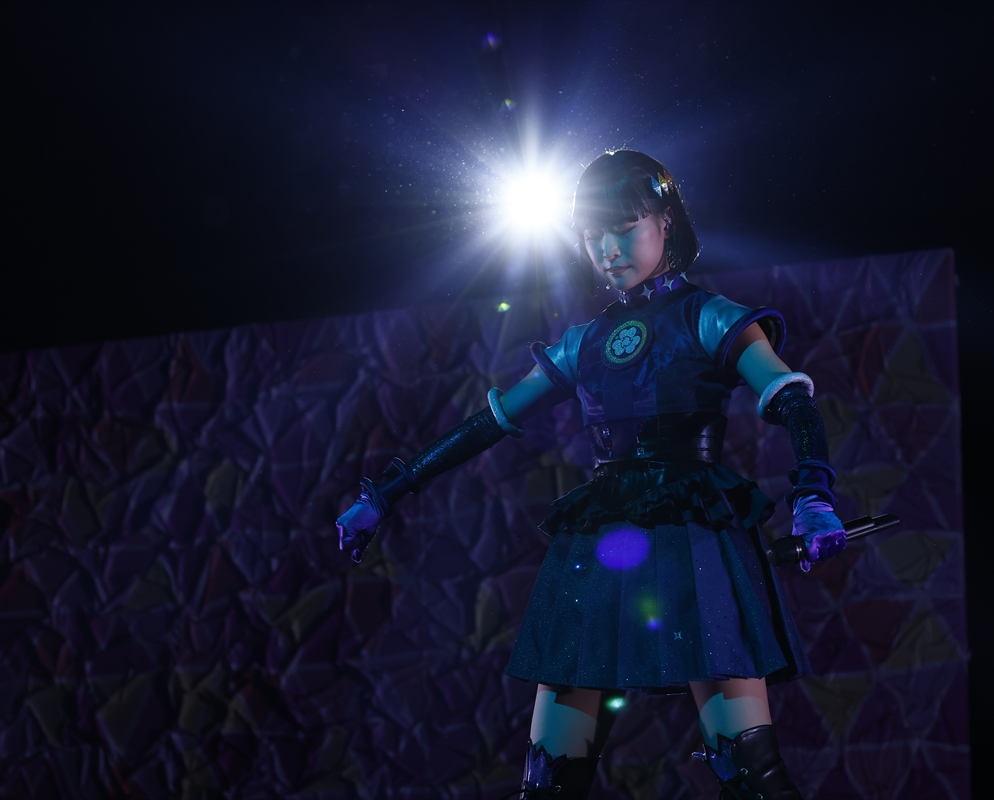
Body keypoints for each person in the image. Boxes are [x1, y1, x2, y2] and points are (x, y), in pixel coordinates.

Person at [335, 150, 847, 799]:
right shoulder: (584, 341)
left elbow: (791, 398)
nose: (607, 249)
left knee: (752, 775)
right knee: (547, 785)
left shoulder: (709, 315)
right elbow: (490, 422)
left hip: (693, 541)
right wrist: (384, 494)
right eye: (592, 233)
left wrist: (813, 496)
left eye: (625, 227)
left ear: (664, 220)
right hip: (600, 545)